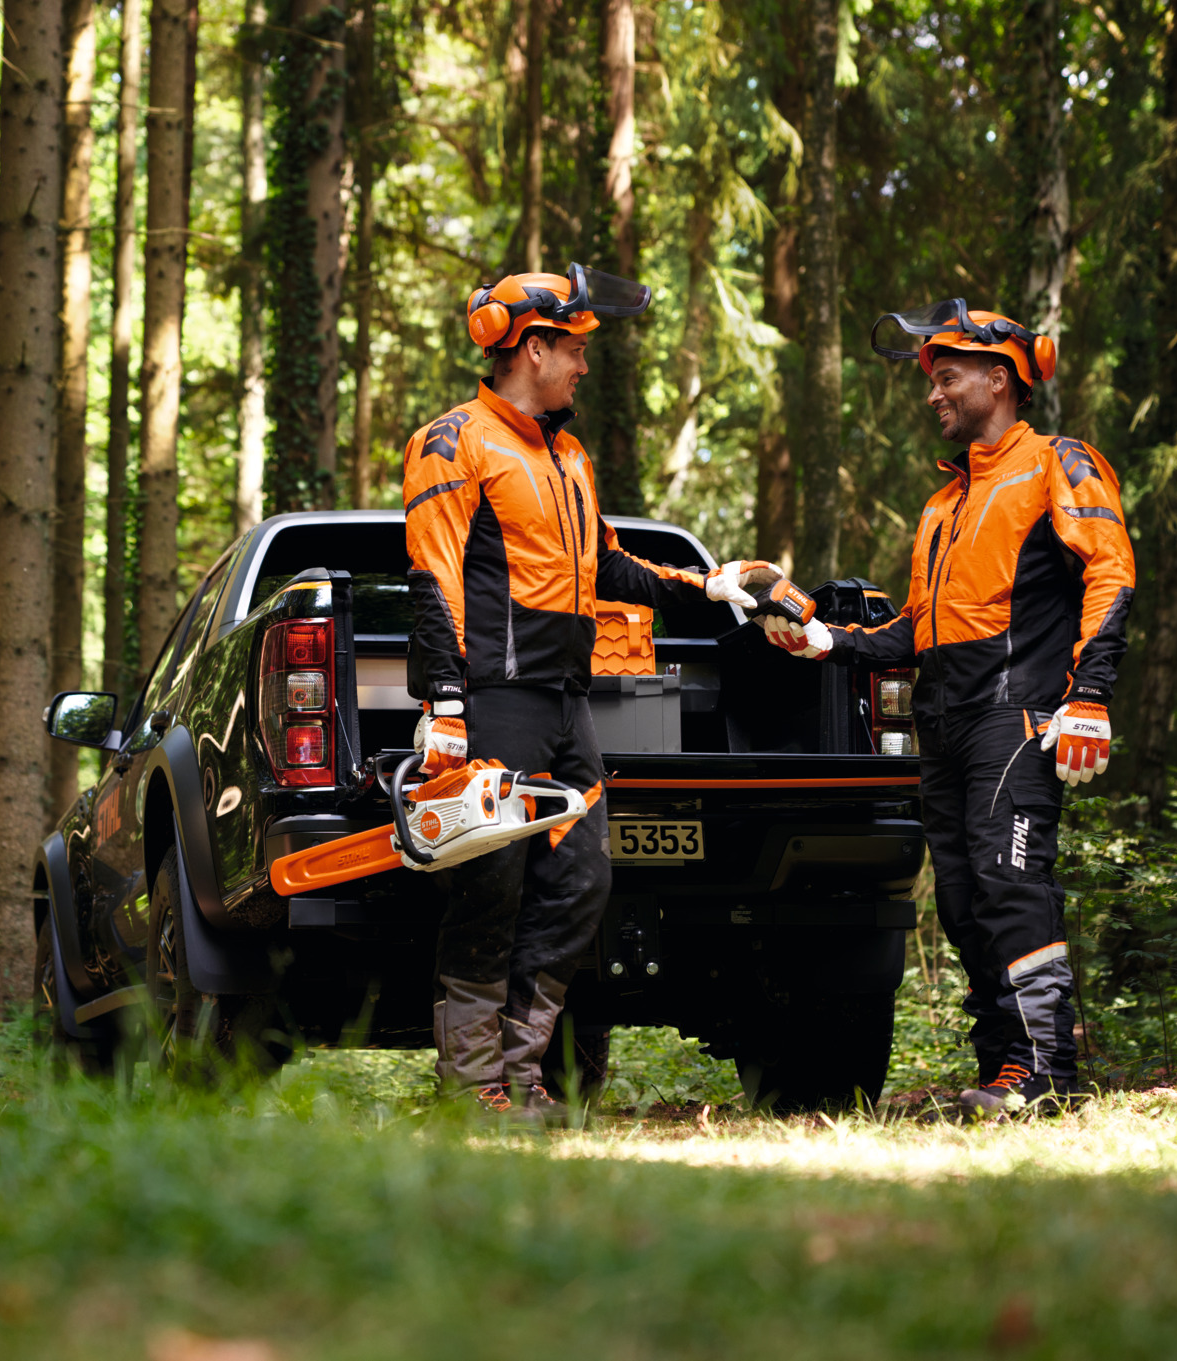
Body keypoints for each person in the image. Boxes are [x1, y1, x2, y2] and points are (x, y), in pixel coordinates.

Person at [402, 264, 772, 1123]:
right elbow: (434, 575)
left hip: (567, 703)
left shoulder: (568, 455)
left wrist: (704, 587)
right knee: (489, 889)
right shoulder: (455, 441)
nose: (582, 365)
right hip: (494, 700)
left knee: (581, 885)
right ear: (532, 348)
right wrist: (445, 704)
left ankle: (522, 1077)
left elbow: (605, 563)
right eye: (572, 348)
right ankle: (472, 1086)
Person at [759, 300, 1135, 1118]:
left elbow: (1110, 571)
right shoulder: (945, 502)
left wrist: (1092, 695)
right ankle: (1004, 1066)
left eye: (948, 376)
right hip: (947, 721)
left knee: (1010, 882)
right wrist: (828, 641)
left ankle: (1045, 1071)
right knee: (964, 903)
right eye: (931, 379)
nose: (933, 393)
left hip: (1020, 714)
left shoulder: (1056, 465)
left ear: (998, 379)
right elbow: (916, 629)